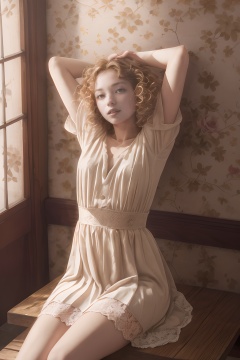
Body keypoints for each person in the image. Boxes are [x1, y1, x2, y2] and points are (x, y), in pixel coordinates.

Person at [16, 46, 192, 360]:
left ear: (137, 92)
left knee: (61, 358)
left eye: (119, 90)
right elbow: (57, 64)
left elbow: (178, 56)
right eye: (99, 95)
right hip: (83, 275)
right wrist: (105, 67)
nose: (109, 101)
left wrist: (132, 59)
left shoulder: (155, 137)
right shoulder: (90, 132)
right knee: (27, 358)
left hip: (136, 279)